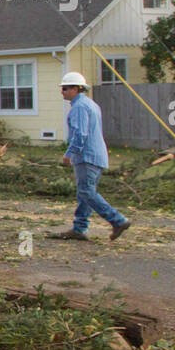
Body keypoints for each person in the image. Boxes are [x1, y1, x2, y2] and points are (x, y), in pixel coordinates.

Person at [52, 72, 132, 241]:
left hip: (87, 156)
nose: (62, 92)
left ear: (76, 88)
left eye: (65, 88)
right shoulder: (91, 104)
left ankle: (118, 220)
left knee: (86, 192)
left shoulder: (80, 107)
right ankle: (80, 228)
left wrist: (69, 154)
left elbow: (80, 134)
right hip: (96, 155)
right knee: (85, 193)